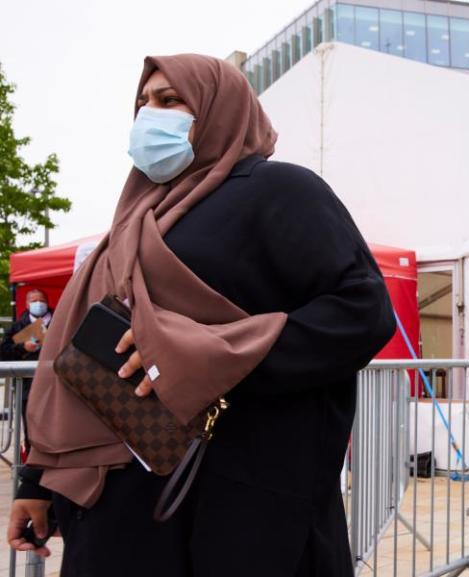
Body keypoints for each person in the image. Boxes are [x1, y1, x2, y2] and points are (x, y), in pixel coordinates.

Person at [5, 54, 396, 577]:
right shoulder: (136, 219)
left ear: (220, 109)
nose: (150, 116)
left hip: (237, 503)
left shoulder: (280, 190)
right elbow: (73, 360)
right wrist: (36, 483)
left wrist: (203, 354)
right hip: (116, 506)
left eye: (169, 101)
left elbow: (363, 312)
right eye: (142, 103)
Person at [1, 289, 55, 448]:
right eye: (33, 300)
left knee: (57, 424)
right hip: (28, 387)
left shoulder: (61, 320)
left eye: (41, 300)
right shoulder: (16, 327)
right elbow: (4, 353)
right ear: (26, 304)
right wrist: (23, 348)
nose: (38, 304)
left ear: (47, 301)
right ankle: (33, 460)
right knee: (32, 426)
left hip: (57, 383)